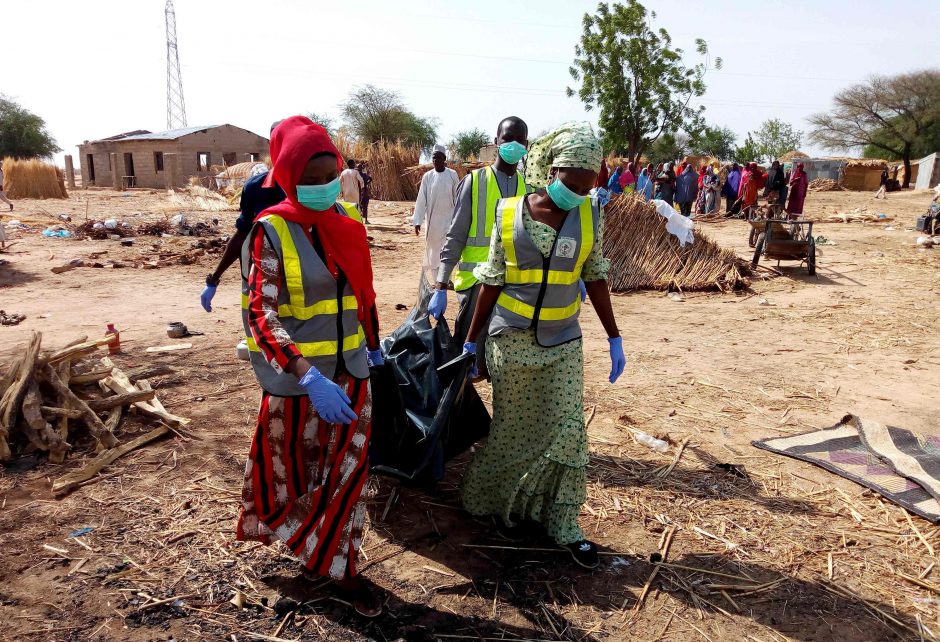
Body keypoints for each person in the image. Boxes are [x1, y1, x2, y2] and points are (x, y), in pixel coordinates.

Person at [458, 121, 624, 569]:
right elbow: (491, 279)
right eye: (573, 184)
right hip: (509, 341)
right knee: (514, 433)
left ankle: (564, 523)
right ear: (552, 170)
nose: (580, 193)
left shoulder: (591, 213)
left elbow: (595, 274)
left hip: (564, 341)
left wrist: (614, 336)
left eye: (588, 186)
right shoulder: (509, 212)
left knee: (569, 431)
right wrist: (471, 343)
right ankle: (506, 505)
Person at [235, 116, 383, 617]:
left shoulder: (349, 220)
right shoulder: (270, 230)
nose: (323, 187)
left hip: (354, 372)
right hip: (302, 381)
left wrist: (375, 344)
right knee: (295, 474)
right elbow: (260, 312)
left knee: (349, 472)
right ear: (288, 174)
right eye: (311, 177)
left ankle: (340, 567)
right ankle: (315, 548)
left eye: (329, 174)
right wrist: (307, 373)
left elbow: (364, 292)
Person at [432, 116, 530, 363]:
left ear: (526, 145)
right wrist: (441, 285)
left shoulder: (526, 188)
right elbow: (455, 236)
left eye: (520, 140)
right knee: (467, 359)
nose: (514, 145)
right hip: (474, 285)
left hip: (511, 287)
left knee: (500, 360)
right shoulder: (474, 182)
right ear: (496, 141)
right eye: (508, 138)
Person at [201, 127, 287, 313]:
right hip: (262, 283)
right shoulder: (257, 187)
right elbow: (242, 234)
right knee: (259, 333)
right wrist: (214, 279)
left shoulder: (313, 187)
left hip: (303, 288)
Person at [413, 145, 460, 279]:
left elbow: (457, 197)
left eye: (438, 157)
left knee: (447, 249)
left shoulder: (452, 175)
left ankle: (447, 278)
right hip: (433, 221)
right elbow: (422, 199)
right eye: (433, 157)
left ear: (444, 159)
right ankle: (436, 278)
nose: (435, 160)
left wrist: (458, 219)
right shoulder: (428, 176)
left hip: (449, 219)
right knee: (433, 250)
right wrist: (417, 221)